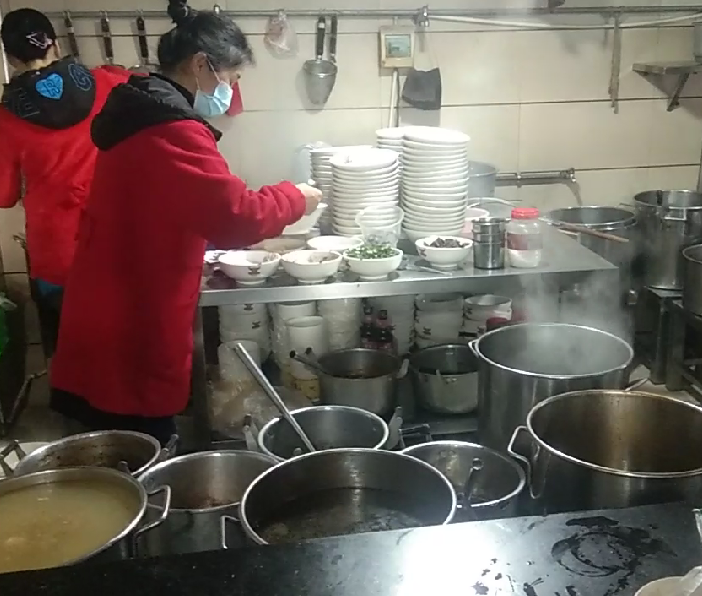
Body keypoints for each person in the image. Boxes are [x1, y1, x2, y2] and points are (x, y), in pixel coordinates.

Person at [50, 0, 321, 445]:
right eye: (232, 78)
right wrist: (296, 198)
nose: (231, 90)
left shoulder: (144, 112)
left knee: (120, 441)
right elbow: (237, 215)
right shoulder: (170, 128)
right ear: (200, 65)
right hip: (130, 318)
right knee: (137, 448)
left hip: (114, 299)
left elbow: (177, 205)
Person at [0, 9, 129, 358]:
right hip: (116, 242)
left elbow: (4, 195)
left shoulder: (7, 115)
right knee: (123, 350)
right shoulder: (110, 83)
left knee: (70, 356)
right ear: (55, 44)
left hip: (56, 253)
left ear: (10, 58)